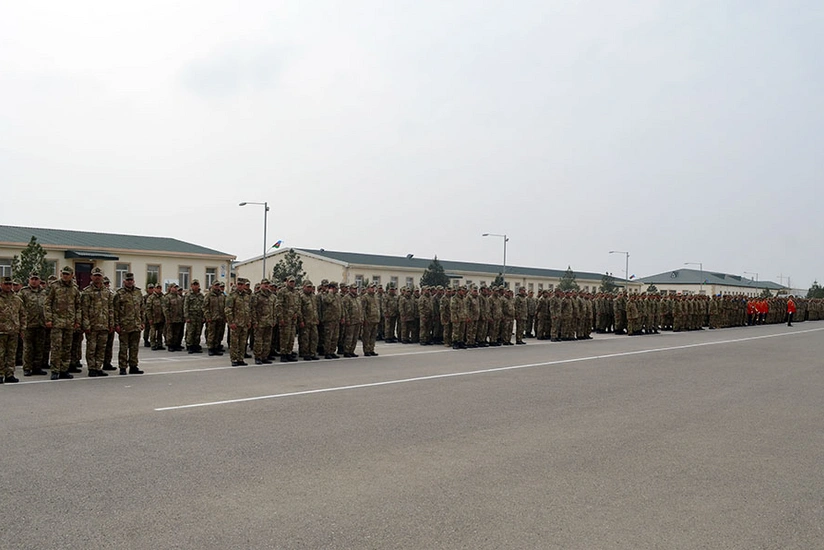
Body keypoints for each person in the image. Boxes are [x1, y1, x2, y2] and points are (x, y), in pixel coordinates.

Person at [45, 266, 82, 380]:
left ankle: (64, 369)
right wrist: (48, 319)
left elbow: (78, 306)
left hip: (69, 323)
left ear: (72, 275)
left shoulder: (75, 289)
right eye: (63, 274)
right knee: (56, 347)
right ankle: (55, 370)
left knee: (67, 347)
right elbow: (47, 303)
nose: (65, 276)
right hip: (57, 322)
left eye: (67, 274)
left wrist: (77, 320)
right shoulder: (54, 286)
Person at [81, 267, 114, 377]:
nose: (97, 277)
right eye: (95, 275)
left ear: (102, 277)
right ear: (91, 277)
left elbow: (110, 308)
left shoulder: (107, 292)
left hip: (104, 324)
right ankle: (91, 368)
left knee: (101, 348)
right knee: (91, 348)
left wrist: (111, 323)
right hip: (92, 325)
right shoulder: (87, 291)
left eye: (99, 275)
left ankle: (98, 367)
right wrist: (86, 324)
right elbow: (84, 309)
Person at [113, 272, 144, 375]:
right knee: (123, 347)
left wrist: (142, 322)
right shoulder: (119, 294)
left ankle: (133, 366)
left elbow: (142, 309)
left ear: (133, 281)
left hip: (136, 325)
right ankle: (122, 367)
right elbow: (115, 311)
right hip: (124, 325)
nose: (130, 282)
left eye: (131, 280)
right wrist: (116, 324)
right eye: (128, 280)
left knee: (134, 347)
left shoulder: (138, 293)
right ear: (124, 281)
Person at [19, 272, 48, 376]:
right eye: (32, 279)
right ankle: (27, 368)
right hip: (28, 324)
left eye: (36, 279)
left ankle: (37, 367)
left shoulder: (44, 292)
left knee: (40, 347)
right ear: (29, 280)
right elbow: (19, 308)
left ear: (39, 280)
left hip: (41, 324)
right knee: (28, 348)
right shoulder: (23, 292)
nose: (34, 281)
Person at [0, 276, 26, 383]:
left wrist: (22, 329)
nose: (8, 286)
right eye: (6, 284)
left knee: (11, 354)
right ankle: (0, 374)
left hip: (14, 331)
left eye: (10, 284)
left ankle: (10, 374)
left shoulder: (17, 299)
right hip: (1, 331)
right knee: (0, 354)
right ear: (1, 285)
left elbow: (22, 315)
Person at [225, 278, 252, 366]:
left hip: (244, 323)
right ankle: (234, 359)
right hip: (235, 323)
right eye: (239, 284)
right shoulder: (232, 295)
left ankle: (240, 359)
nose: (240, 286)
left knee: (243, 342)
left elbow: (248, 310)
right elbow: (228, 309)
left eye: (242, 284)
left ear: (244, 285)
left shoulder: (247, 296)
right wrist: (231, 322)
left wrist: (249, 321)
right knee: (234, 342)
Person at [277, 276, 301, 362]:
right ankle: (283, 354)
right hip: (285, 318)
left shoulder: (296, 292)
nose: (292, 283)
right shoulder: (282, 292)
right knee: (284, 337)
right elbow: (279, 305)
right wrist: (281, 318)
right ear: (287, 282)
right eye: (290, 282)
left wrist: (296, 314)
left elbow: (298, 305)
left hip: (293, 319)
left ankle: (289, 353)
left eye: (293, 282)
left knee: (291, 337)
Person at [252, 279, 276, 364]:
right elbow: (253, 309)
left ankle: (264, 356)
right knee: (258, 340)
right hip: (260, 322)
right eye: (264, 284)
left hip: (269, 321)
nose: (266, 285)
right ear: (261, 284)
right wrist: (254, 321)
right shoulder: (257, 296)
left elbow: (274, 309)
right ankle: (258, 357)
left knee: (267, 340)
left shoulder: (272, 296)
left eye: (267, 284)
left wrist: (274, 320)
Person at [298, 280, 321, 360]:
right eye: (308, 287)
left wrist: (317, 318)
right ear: (303, 287)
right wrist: (301, 321)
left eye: (311, 287)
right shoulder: (301, 296)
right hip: (305, 321)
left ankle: (312, 353)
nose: (309, 289)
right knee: (305, 338)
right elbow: (299, 310)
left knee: (314, 337)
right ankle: (305, 353)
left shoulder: (313, 296)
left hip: (313, 320)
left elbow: (315, 309)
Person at [183, 279, 205, 353]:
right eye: (194, 285)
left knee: (198, 331)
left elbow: (204, 306)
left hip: (199, 316)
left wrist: (203, 317)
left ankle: (196, 345)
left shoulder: (201, 295)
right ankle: (189, 345)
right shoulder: (188, 295)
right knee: (191, 331)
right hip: (191, 316)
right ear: (191, 286)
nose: (195, 286)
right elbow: (186, 306)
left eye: (196, 285)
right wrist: (187, 317)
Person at [162, 283, 185, 351]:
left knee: (177, 332)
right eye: (174, 287)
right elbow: (165, 309)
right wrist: (167, 318)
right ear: (171, 288)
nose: (175, 289)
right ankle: (170, 345)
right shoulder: (167, 297)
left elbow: (182, 308)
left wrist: (183, 317)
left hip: (178, 318)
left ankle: (175, 344)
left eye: (176, 288)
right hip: (171, 318)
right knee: (170, 332)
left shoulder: (179, 297)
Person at [360, 282, 380, 356]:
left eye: (374, 288)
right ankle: (366, 350)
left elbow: (377, 308)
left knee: (373, 336)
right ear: (368, 289)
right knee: (366, 336)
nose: (373, 289)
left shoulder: (376, 296)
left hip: (375, 319)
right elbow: (363, 309)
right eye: (371, 288)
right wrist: (364, 319)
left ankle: (371, 349)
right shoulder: (365, 297)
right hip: (368, 319)